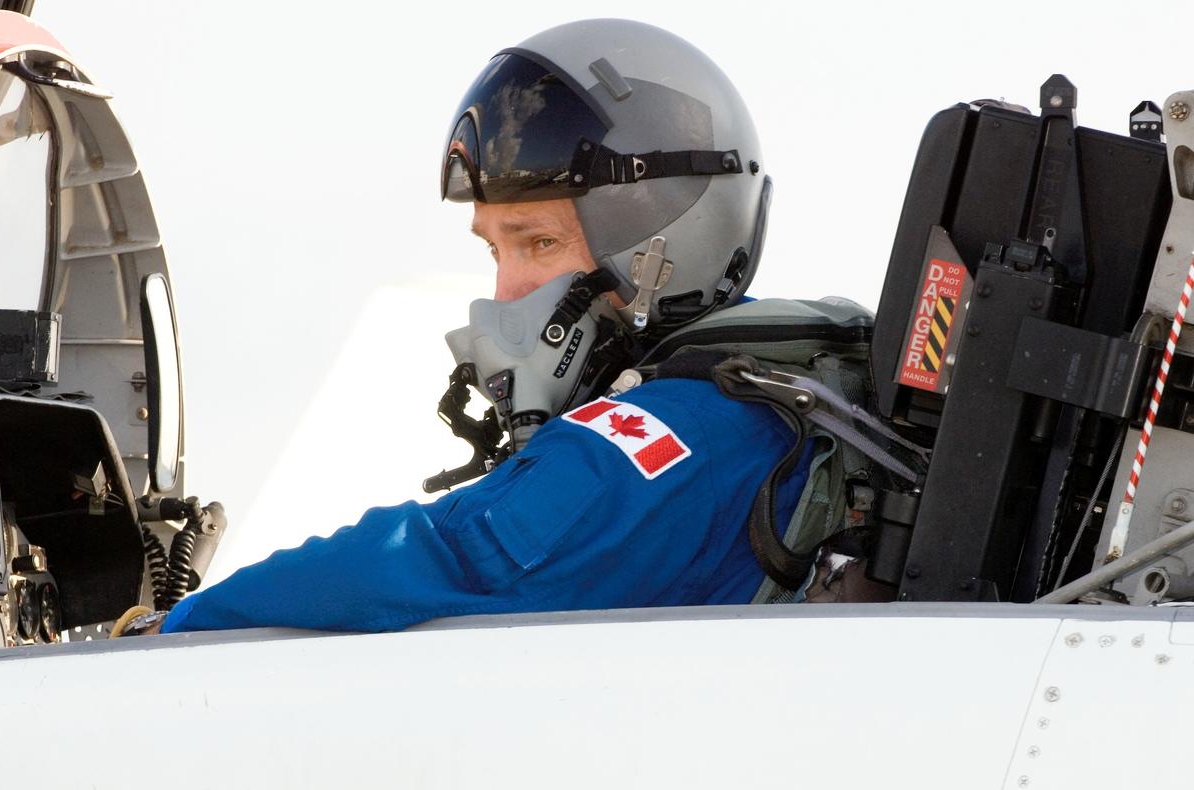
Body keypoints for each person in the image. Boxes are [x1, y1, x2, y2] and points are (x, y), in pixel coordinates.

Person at [136, 18, 811, 636]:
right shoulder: (779, 396)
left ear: (663, 249)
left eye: (538, 244)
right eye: (495, 249)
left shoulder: (673, 434)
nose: (504, 291)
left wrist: (174, 630)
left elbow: (440, 561)